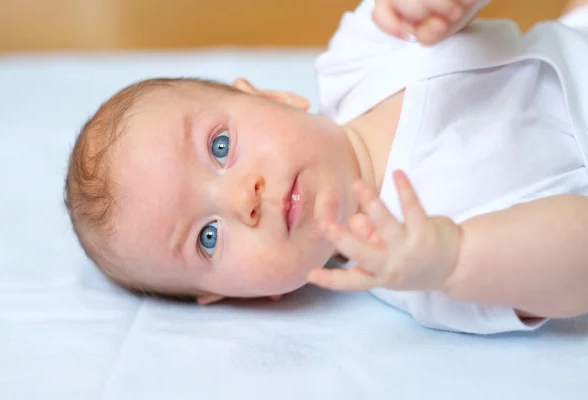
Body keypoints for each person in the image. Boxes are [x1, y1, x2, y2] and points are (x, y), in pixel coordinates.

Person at [65, 0, 588, 334]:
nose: (242, 200)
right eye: (207, 237)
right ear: (250, 297)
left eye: (220, 147)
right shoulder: (417, 275)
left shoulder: (358, 59)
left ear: (272, 97)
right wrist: (456, 260)